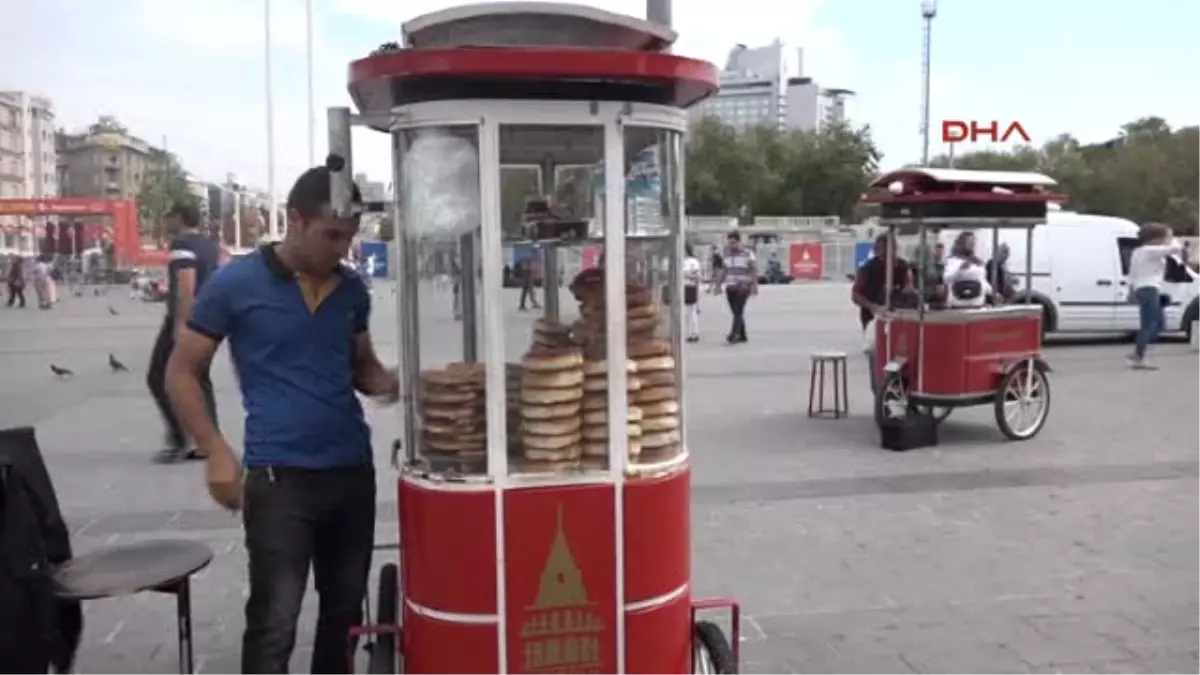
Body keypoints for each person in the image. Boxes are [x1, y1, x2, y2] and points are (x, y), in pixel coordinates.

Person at [165, 161, 399, 675]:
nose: (342, 249)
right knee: (275, 622)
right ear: (294, 220)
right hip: (280, 481)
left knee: (343, 618)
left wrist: (403, 385)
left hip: (352, 474)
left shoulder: (352, 290)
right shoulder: (236, 283)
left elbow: (362, 369)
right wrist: (216, 450)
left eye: (349, 237)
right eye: (332, 235)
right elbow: (181, 371)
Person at [149, 202, 221, 464]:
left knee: (159, 376)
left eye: (169, 216)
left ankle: (181, 438)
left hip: (185, 320)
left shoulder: (183, 245)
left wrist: (180, 324)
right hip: (208, 319)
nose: (167, 222)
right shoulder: (209, 245)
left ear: (179, 217)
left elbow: (186, 285)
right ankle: (208, 440)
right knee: (199, 377)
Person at [852, 234, 911, 391]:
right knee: (875, 353)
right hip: (873, 318)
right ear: (877, 251)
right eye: (884, 251)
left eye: (892, 250)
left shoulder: (903, 267)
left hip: (897, 316)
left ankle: (899, 388)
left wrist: (906, 292)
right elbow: (855, 295)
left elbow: (909, 286)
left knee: (900, 352)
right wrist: (873, 307)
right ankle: (879, 388)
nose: (888, 255)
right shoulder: (867, 269)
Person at [1128, 222, 1181, 370]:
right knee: (1150, 324)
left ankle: (1139, 352)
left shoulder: (1138, 251)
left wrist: (1131, 290)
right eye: (1166, 237)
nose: (1167, 239)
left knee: (1156, 323)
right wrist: (1172, 239)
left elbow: (1132, 274)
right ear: (1156, 238)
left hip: (1144, 288)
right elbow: (1176, 248)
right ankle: (1139, 357)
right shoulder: (1150, 250)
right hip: (1148, 289)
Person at [710, 231, 756, 344]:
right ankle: (743, 335)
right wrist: (718, 285)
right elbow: (724, 270)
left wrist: (754, 285)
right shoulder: (727, 254)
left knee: (738, 310)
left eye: (733, 242)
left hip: (743, 286)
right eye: (729, 242)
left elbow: (753, 269)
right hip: (730, 286)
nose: (731, 245)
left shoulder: (747, 253)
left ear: (739, 242)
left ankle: (734, 334)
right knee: (736, 311)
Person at [942, 231, 993, 308]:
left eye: (973, 242)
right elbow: (946, 278)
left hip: (977, 304)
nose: (972, 244)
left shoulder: (977, 261)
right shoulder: (953, 260)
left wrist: (993, 292)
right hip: (959, 305)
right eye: (969, 241)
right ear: (962, 243)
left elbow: (982, 280)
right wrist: (960, 270)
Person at [682, 244, 702, 342]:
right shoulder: (678, 260)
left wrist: (687, 275)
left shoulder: (693, 261)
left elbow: (698, 276)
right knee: (683, 312)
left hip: (689, 286)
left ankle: (694, 333)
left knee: (691, 311)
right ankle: (686, 332)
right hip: (679, 287)